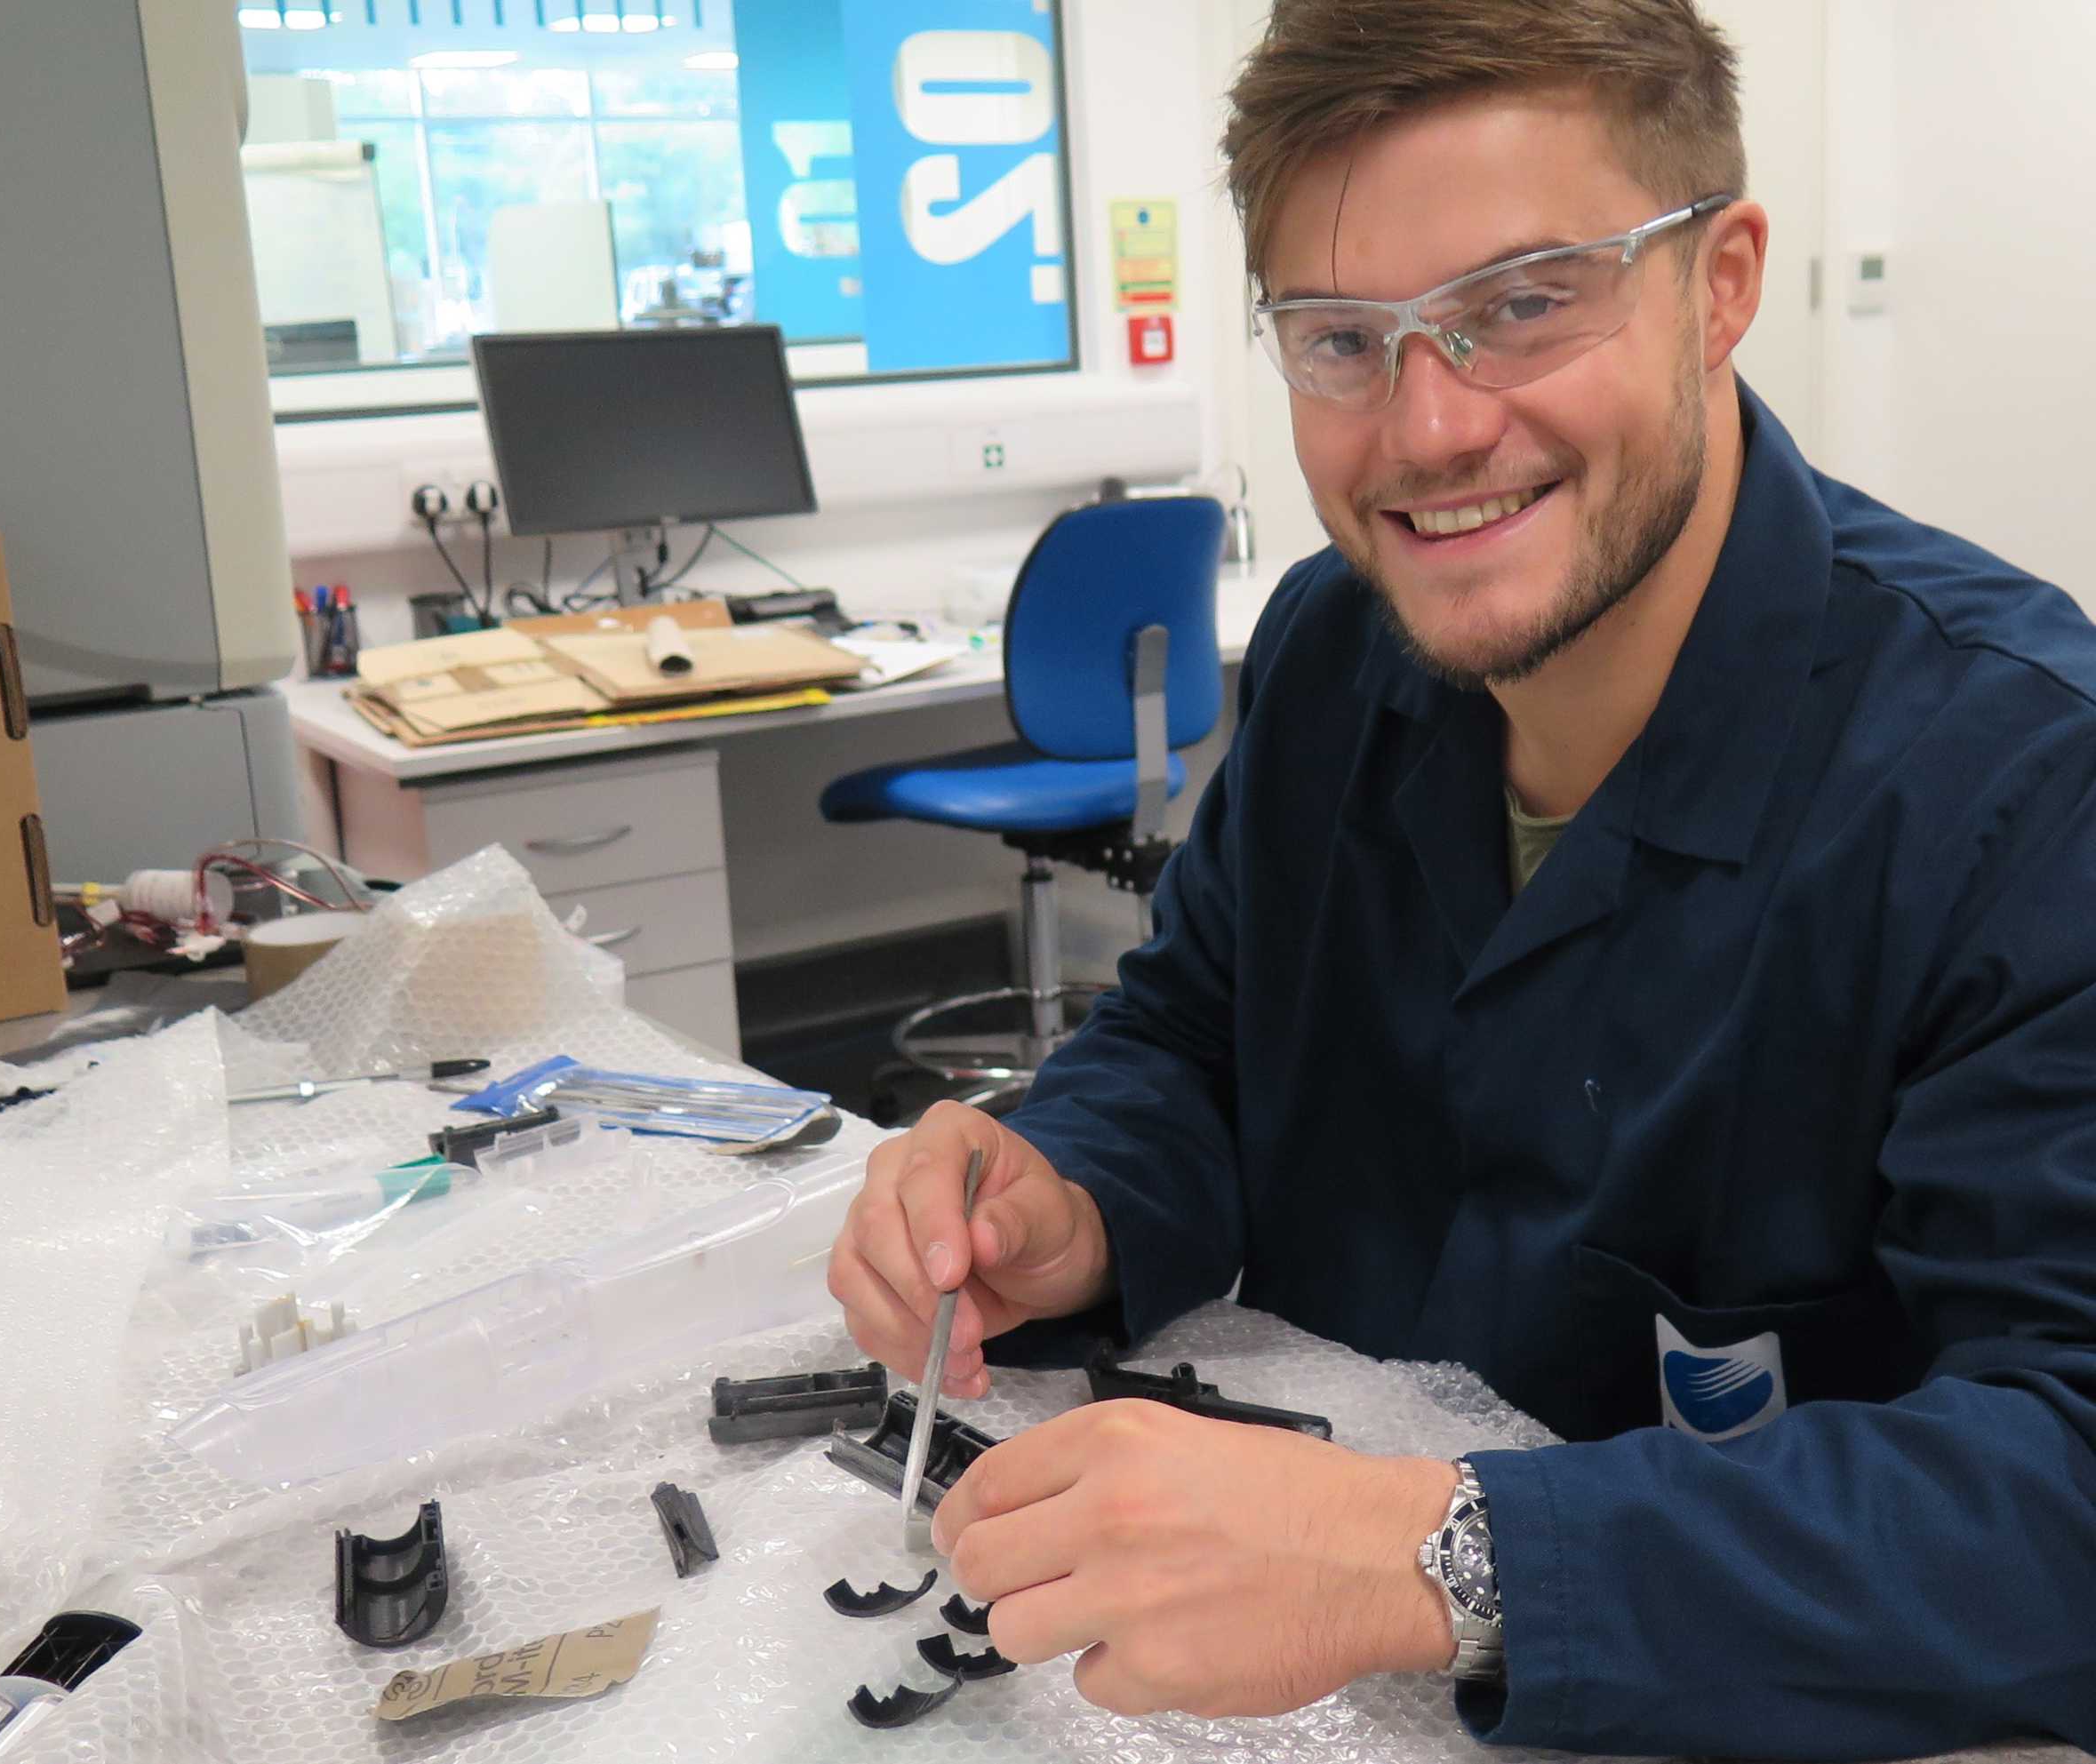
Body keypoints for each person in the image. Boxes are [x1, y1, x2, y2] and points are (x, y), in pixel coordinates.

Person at [824, 1, 2096, 1754]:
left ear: (1722, 284)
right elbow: (1195, 1027)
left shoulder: (2021, 782)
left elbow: (2065, 1487)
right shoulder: (1337, 653)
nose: (1427, 427)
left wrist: (1445, 1554)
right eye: (1341, 340)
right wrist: (1077, 1189)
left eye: (1521, 305)